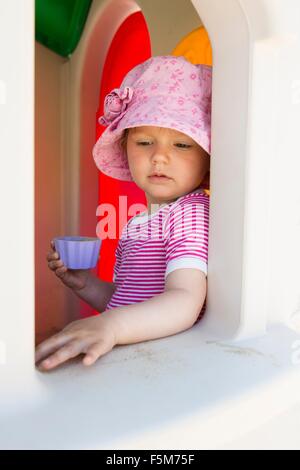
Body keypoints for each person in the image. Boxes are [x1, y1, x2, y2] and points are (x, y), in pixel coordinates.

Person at [35, 55, 212, 371]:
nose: (159, 156)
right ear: (125, 147)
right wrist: (84, 284)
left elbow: (185, 299)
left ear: (207, 159)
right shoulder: (138, 223)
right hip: (133, 360)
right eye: (144, 142)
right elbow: (124, 299)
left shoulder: (191, 213)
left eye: (182, 145)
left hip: (161, 365)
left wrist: (112, 326)